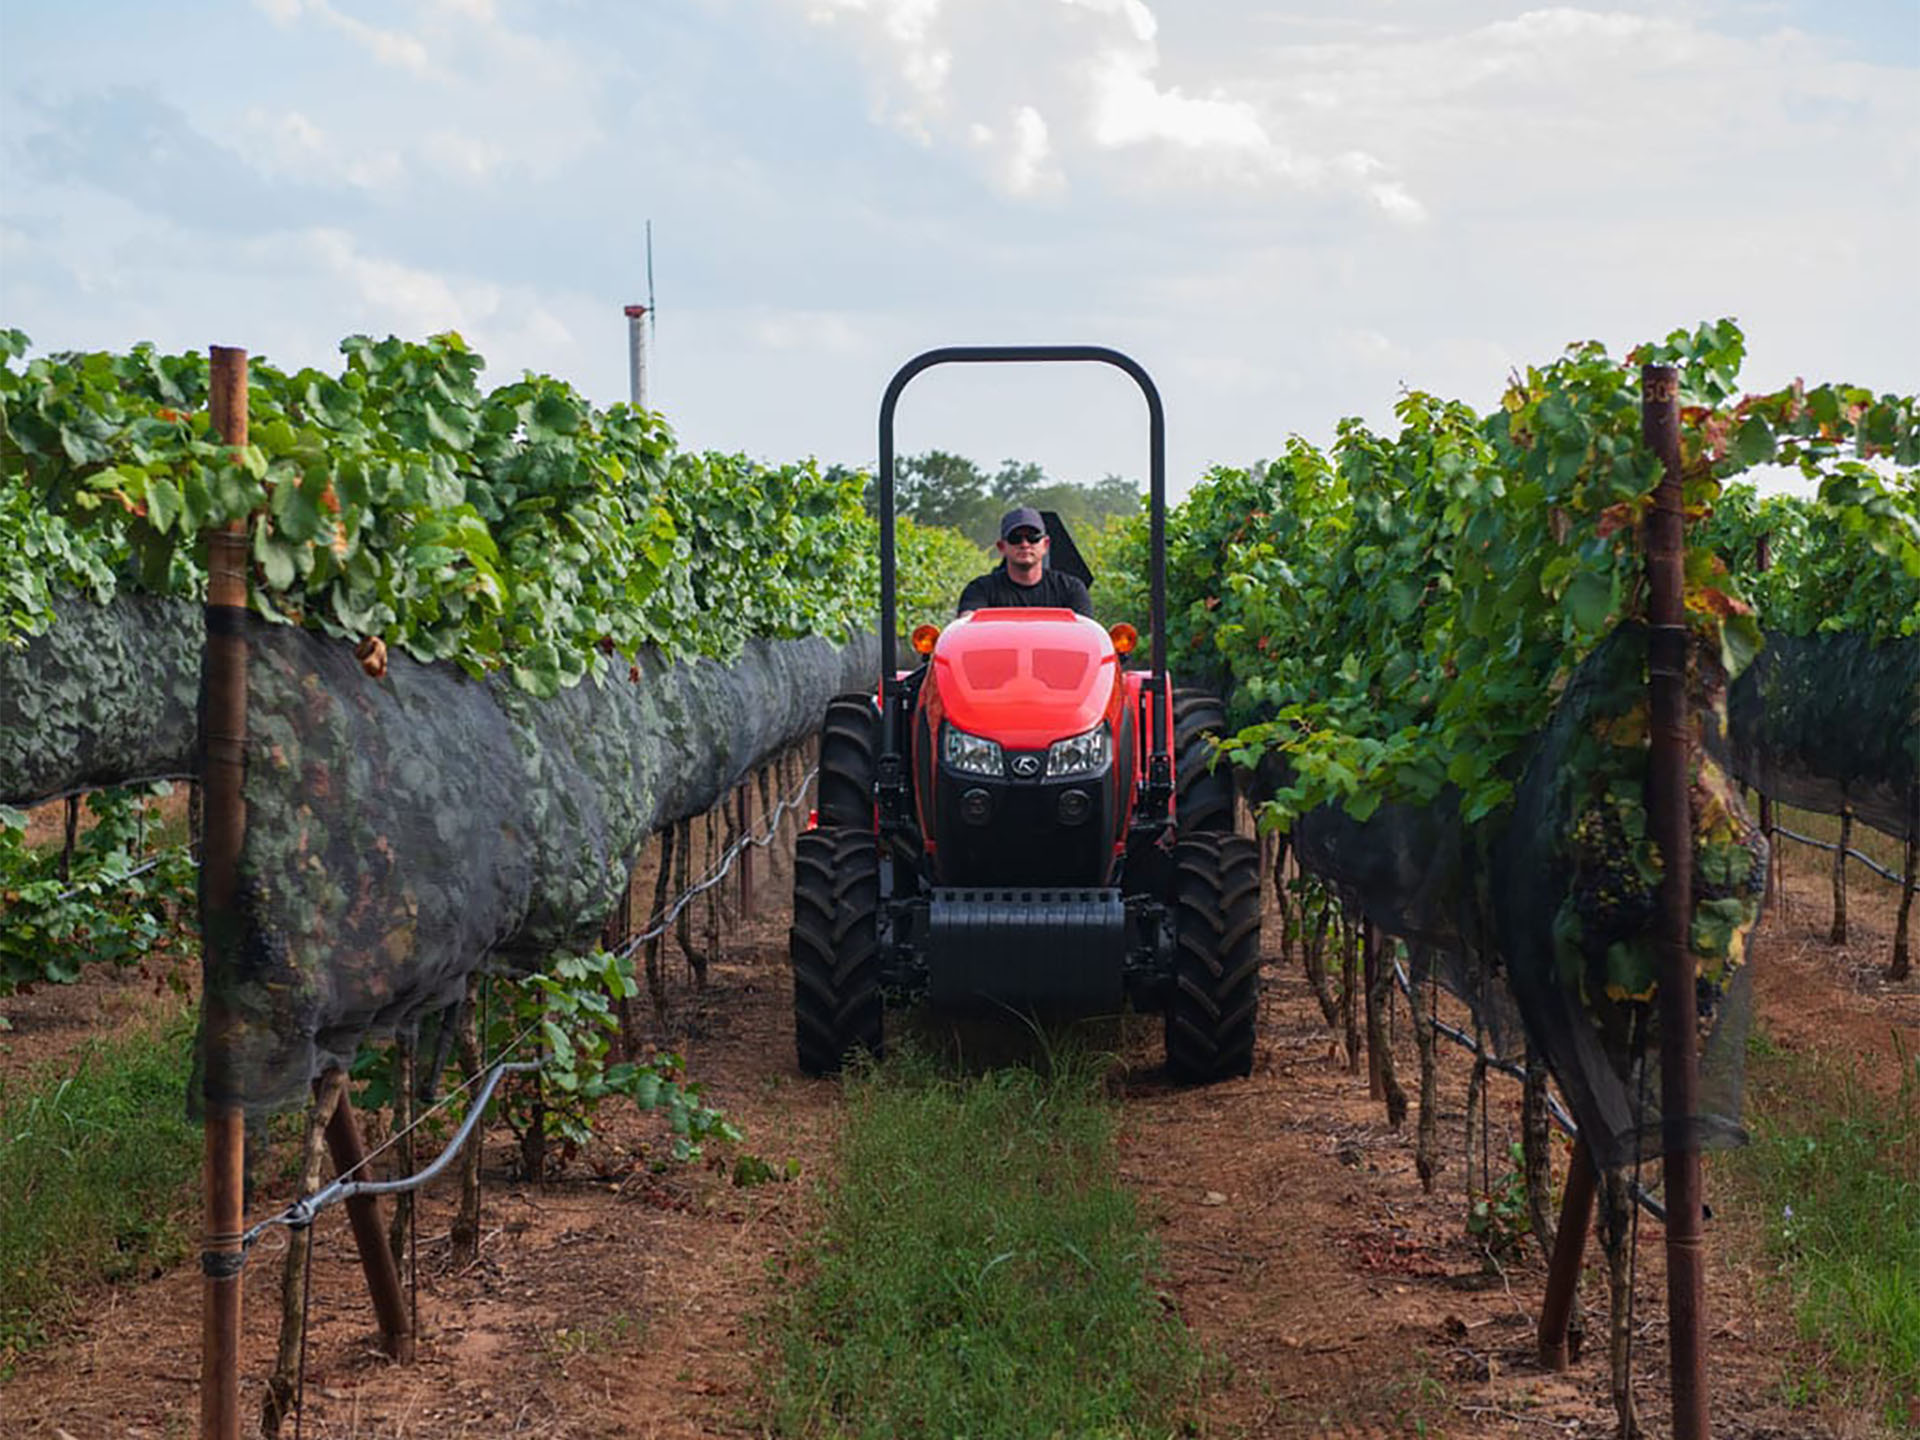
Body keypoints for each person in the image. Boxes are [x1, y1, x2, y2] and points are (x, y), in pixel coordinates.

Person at [956, 506, 1094, 616]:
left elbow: (1086, 632)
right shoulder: (980, 590)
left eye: (1032, 537)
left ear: (1045, 544)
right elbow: (967, 624)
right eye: (1015, 538)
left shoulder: (1071, 589)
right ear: (1001, 547)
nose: (1024, 544)